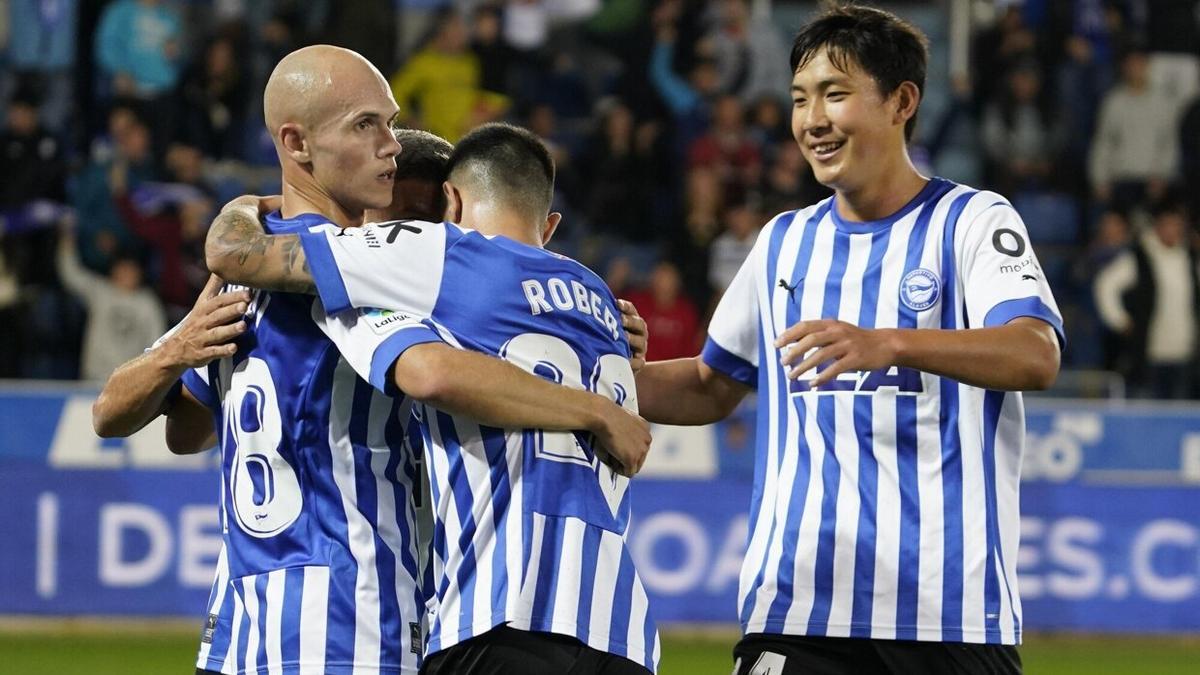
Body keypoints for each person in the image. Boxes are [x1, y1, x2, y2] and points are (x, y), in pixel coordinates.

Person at [94, 46, 649, 675]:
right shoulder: (355, 285)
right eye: (367, 125)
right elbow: (434, 372)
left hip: (244, 628)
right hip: (350, 617)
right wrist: (595, 400)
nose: (388, 144)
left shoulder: (251, 276)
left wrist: (181, 341)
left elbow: (164, 424)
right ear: (297, 143)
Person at [633, 6, 1062, 674]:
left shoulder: (973, 221)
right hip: (797, 612)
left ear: (902, 101)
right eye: (801, 99)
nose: (812, 120)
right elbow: (711, 385)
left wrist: (890, 343)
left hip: (946, 615)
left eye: (835, 94)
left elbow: (1034, 351)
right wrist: (593, 370)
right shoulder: (781, 241)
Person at [204, 123, 659, 674]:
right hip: (623, 631)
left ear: (451, 200)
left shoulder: (438, 252)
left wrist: (248, 203)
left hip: (503, 614)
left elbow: (237, 253)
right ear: (550, 222)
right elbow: (689, 390)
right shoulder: (600, 299)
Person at [1093, 198, 1198, 399]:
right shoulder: (1140, 257)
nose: (1172, 230)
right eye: (1168, 224)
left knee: (1179, 417)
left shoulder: (1190, 257)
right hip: (1149, 355)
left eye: (1177, 224)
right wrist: (1119, 320)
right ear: (1158, 225)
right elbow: (1106, 285)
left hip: (1185, 355)